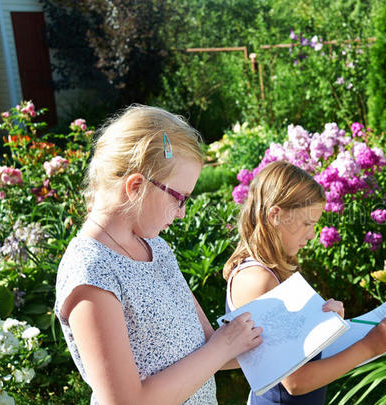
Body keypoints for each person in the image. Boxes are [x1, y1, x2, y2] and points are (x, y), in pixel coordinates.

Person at [54, 105, 262, 405]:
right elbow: (126, 401)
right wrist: (222, 348)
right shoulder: (91, 274)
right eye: (179, 199)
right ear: (136, 186)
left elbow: (208, 346)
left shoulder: (156, 250)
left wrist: (304, 330)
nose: (182, 213)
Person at [223, 160, 386, 404]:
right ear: (275, 215)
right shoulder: (258, 279)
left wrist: (325, 327)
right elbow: (295, 382)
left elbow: (297, 351)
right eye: (307, 224)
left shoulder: (274, 270)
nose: (312, 234)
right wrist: (368, 347)